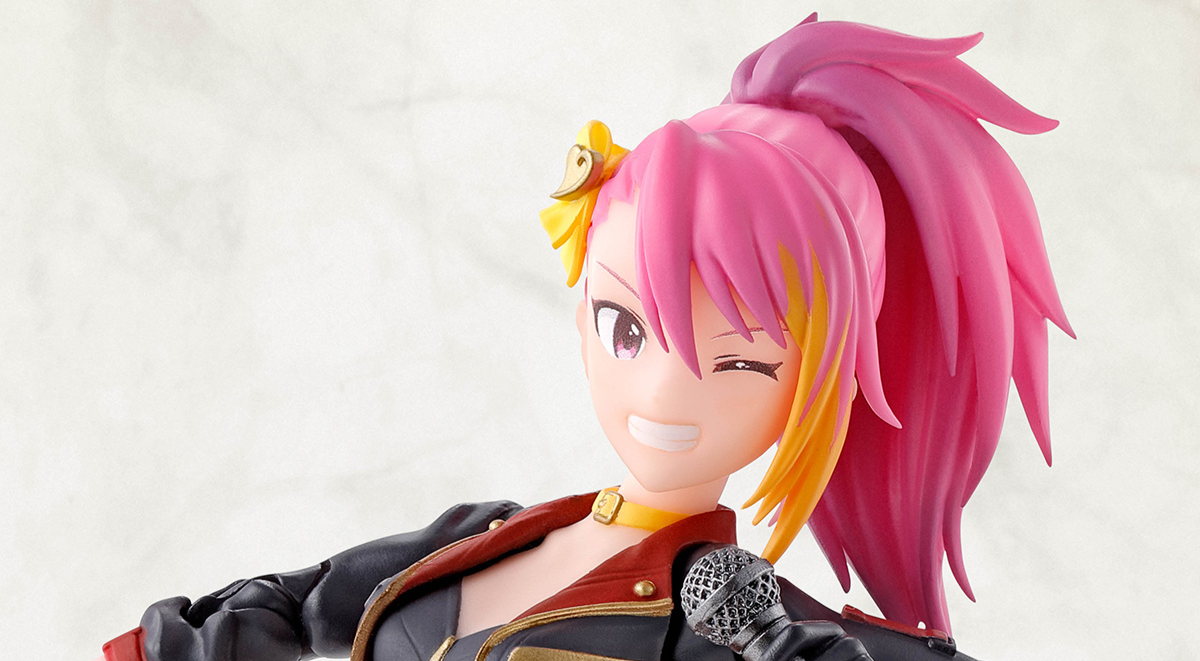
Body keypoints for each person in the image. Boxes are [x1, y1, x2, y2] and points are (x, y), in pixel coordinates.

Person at [100, 14, 1072, 661]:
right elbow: (287, 604)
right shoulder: (484, 535)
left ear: (822, 383)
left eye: (741, 358)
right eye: (627, 325)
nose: (666, 392)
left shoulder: (739, 618)